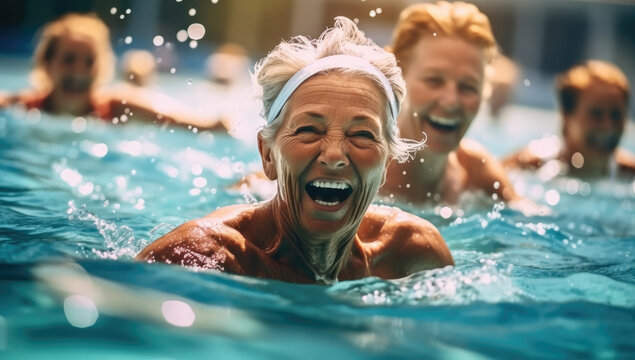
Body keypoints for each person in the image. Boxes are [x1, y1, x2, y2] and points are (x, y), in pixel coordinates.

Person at [137, 17, 453, 284]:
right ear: (268, 156)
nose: (333, 155)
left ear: (386, 164)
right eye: (309, 130)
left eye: (361, 134)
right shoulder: (200, 257)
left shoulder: (412, 254)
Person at [380, 1, 522, 206]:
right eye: (434, 81)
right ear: (397, 78)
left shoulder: (475, 171)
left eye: (468, 87)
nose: (451, 101)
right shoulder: (361, 168)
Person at [0, 13, 224, 130]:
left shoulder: (119, 106)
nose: (79, 69)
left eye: (89, 61)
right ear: (46, 64)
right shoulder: (21, 106)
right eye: (69, 59)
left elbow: (204, 125)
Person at [503, 60, 635, 178]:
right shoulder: (526, 167)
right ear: (567, 118)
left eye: (616, 115)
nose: (608, 126)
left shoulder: (633, 174)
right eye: (596, 114)